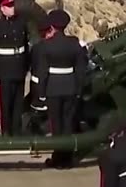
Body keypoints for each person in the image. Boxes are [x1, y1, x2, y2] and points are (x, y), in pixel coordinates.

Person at [33, 9, 87, 169]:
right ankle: (67, 158)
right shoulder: (74, 43)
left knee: (56, 125)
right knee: (68, 123)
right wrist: (78, 89)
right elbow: (80, 70)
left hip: (53, 88)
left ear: (52, 26)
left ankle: (58, 158)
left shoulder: (46, 46)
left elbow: (42, 72)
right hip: (70, 87)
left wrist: (41, 94)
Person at [0, 0, 30, 136]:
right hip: (3, 69)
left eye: (13, 5)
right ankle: (6, 131)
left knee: (17, 103)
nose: (12, 8)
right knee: (5, 103)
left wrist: (26, 66)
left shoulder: (21, 22)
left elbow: (25, 46)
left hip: (18, 67)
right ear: (2, 9)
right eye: (9, 6)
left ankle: (17, 130)